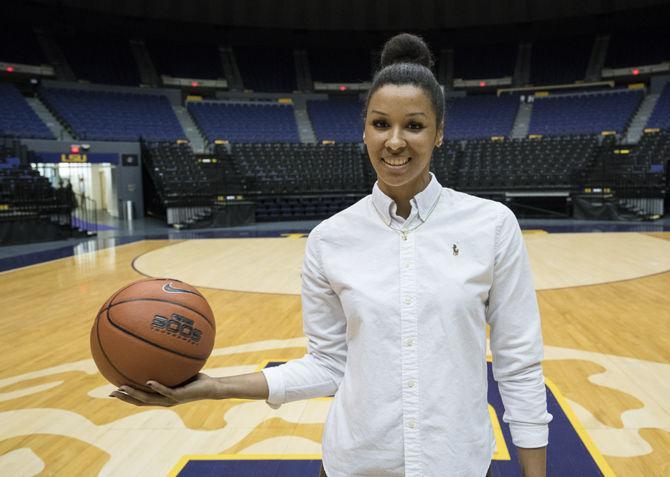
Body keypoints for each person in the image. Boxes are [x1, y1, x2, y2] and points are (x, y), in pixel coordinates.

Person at [111, 33, 552, 477]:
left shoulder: (492, 226)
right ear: (365, 130)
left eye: (414, 125)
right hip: (356, 465)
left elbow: (518, 365)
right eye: (381, 124)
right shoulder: (329, 239)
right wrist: (213, 388)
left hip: (458, 465)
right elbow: (327, 365)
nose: (395, 141)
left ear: (439, 133)